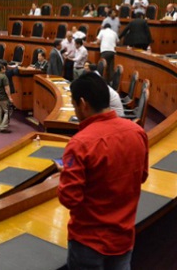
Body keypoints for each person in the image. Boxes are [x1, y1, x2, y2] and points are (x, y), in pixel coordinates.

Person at [58, 72, 148, 270]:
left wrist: (66, 173)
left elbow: (69, 198)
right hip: (124, 236)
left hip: (88, 241)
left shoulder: (80, 143)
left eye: (74, 105)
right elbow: (141, 176)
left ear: (83, 103)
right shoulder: (137, 132)